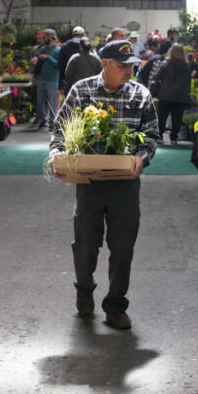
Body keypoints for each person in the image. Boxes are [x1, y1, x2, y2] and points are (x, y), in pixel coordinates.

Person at [48, 40, 159, 330]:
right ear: (105, 64)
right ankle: (84, 289)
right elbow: (60, 129)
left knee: (123, 248)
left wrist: (142, 157)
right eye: (122, 66)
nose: (129, 71)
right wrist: (57, 155)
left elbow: (151, 134)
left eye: (132, 66)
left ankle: (115, 306)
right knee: (85, 245)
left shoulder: (141, 94)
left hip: (126, 184)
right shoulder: (82, 90)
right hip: (90, 182)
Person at [150, 43, 193, 145]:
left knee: (162, 117)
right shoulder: (187, 67)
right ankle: (174, 137)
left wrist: (155, 90)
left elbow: (156, 77)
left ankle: (159, 136)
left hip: (165, 95)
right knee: (177, 118)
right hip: (180, 97)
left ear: (171, 52)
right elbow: (188, 82)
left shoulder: (165, 64)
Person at [32, 29, 62, 131]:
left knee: (52, 102)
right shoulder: (42, 49)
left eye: (45, 37)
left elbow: (58, 65)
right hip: (41, 78)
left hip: (52, 79)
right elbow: (39, 64)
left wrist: (48, 57)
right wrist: (35, 75)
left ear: (51, 37)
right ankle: (43, 119)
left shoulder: (58, 49)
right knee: (39, 102)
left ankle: (52, 123)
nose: (43, 39)